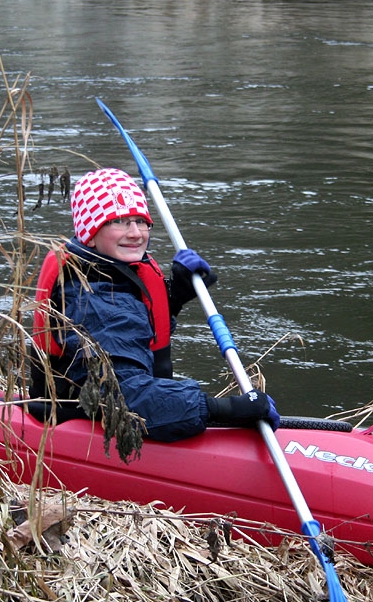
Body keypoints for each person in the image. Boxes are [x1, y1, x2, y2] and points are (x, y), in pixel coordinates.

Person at [28, 167, 279, 442]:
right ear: (90, 232)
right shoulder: (91, 300)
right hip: (85, 428)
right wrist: (224, 408)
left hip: (101, 411)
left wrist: (175, 297)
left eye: (140, 220)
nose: (136, 233)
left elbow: (128, 334)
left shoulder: (107, 272)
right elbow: (122, 395)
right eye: (120, 221)